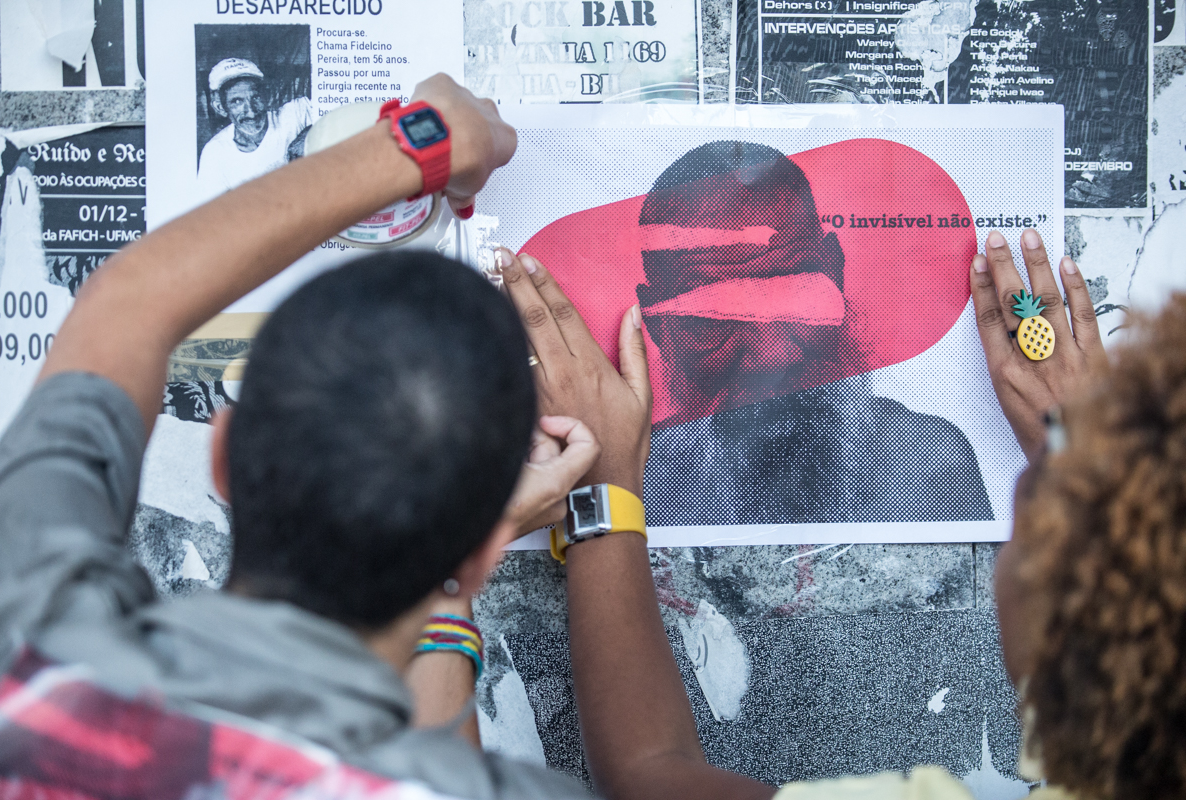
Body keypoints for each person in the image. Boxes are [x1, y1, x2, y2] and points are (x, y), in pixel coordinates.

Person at [0, 75, 600, 799]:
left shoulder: (27, 653)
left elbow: (127, 305)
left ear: (224, 457)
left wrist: (425, 139)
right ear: (480, 558)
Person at [491, 219, 1186, 798]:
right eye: (714, 308)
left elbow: (651, 778)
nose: (765, 346)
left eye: (1040, 511)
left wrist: (603, 486)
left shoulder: (929, 459)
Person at [637, 141, 994, 526]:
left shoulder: (929, 467)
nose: (772, 356)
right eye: (710, 315)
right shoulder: (639, 486)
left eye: (797, 291)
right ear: (658, 325)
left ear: (835, 271)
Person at [196, 58, 313, 197]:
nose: (251, 111)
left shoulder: (296, 114)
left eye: (255, 97)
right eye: (237, 101)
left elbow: (340, 105)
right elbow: (214, 213)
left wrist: (309, 131)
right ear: (220, 107)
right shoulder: (215, 153)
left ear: (266, 96)